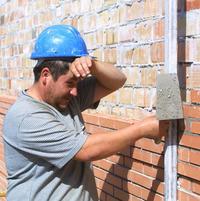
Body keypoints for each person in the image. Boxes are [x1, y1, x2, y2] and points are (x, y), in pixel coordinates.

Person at [3, 25, 169, 201]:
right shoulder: (26, 117)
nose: (75, 91)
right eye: (70, 83)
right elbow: (86, 149)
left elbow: (117, 81)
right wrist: (142, 128)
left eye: (77, 83)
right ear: (45, 76)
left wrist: (93, 65)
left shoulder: (65, 97)